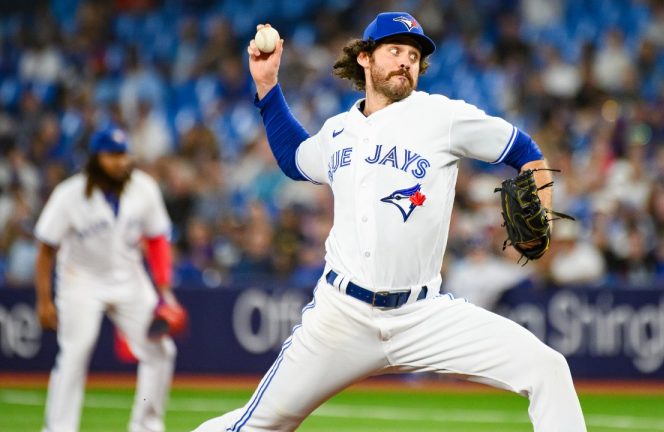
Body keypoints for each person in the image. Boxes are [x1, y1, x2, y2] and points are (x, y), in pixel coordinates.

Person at [195, 12, 586, 432]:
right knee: (256, 426)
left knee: (547, 368)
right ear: (365, 57)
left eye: (414, 55)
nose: (406, 61)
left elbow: (525, 151)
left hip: (422, 314)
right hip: (340, 316)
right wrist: (268, 86)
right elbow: (295, 160)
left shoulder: (442, 117)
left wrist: (543, 212)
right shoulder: (338, 131)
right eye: (395, 50)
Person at [34, 127, 179, 432]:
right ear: (96, 158)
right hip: (80, 281)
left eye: (123, 154)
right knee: (76, 352)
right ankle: (58, 428)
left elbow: (157, 240)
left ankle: (147, 425)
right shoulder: (69, 194)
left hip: (130, 279)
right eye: (112, 155)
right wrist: (44, 300)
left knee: (161, 350)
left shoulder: (143, 187)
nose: (120, 162)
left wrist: (165, 291)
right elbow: (46, 249)